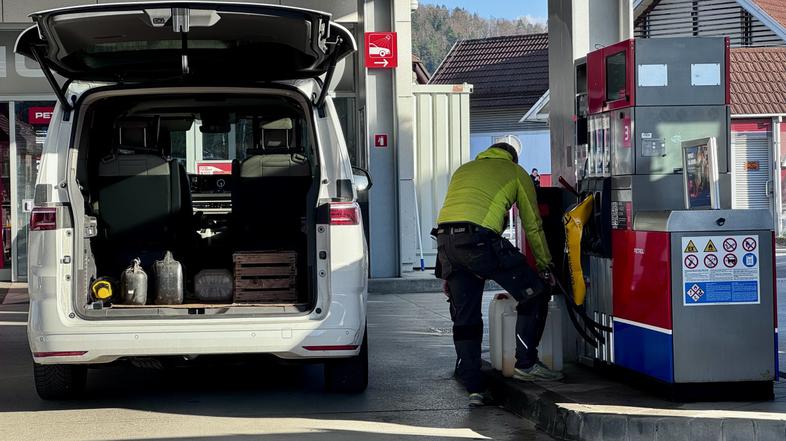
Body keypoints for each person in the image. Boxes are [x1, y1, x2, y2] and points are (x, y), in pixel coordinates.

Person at [432, 142, 561, 408]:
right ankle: (526, 363)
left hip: (446, 243)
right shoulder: (515, 172)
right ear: (512, 158)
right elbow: (533, 224)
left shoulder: (464, 170)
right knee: (535, 292)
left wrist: (448, 271)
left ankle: (474, 387)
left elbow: (455, 215)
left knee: (465, 317)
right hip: (479, 241)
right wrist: (546, 264)